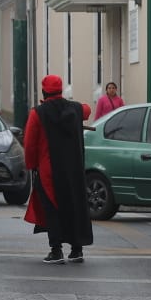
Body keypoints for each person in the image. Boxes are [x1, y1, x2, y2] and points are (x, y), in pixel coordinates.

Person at [24, 74, 94, 264]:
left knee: (53, 210)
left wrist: (30, 165)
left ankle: (56, 250)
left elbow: (30, 144)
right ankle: (77, 249)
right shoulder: (76, 109)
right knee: (74, 206)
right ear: (61, 90)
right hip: (74, 169)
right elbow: (87, 109)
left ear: (44, 91)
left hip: (49, 171)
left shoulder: (37, 113)